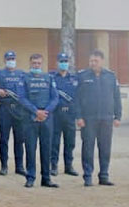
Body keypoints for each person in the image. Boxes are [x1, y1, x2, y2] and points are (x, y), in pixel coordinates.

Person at [74, 50, 121, 187]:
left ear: (102, 61)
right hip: (88, 118)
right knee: (88, 147)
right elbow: (77, 98)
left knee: (105, 148)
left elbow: (116, 97)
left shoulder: (111, 76)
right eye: (91, 61)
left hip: (106, 118)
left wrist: (118, 116)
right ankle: (88, 176)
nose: (93, 63)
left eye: (96, 61)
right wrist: (79, 116)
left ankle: (104, 175)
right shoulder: (82, 76)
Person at [0, 50, 37, 177]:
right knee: (4, 138)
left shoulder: (21, 74)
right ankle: (4, 166)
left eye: (13, 58)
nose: (11, 61)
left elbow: (29, 88)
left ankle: (19, 166)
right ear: (5, 60)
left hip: (19, 110)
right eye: (9, 59)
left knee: (20, 139)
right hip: (5, 109)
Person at [24, 53, 59, 189]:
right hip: (30, 118)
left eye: (38, 63)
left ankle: (46, 178)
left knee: (46, 149)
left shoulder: (49, 78)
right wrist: (35, 111)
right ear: (30, 63)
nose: (36, 65)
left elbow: (55, 98)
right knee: (30, 149)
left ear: (42, 64)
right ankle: (30, 177)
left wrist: (45, 112)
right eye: (34, 63)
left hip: (46, 118)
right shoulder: (24, 78)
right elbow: (22, 98)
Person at [51, 52, 79, 177]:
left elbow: (78, 97)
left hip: (70, 115)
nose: (64, 64)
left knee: (70, 142)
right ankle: (54, 166)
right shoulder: (51, 77)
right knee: (54, 142)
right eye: (61, 61)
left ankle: (69, 166)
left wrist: (78, 115)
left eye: (65, 61)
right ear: (57, 63)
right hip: (56, 114)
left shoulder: (74, 79)